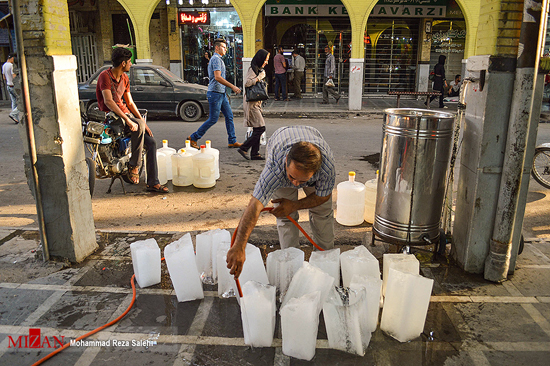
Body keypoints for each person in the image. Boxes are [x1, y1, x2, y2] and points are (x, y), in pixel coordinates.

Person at [226, 125, 336, 278]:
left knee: (322, 214)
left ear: (316, 171)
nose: (295, 185)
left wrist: (295, 204)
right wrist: (239, 246)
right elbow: (254, 205)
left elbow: (323, 196)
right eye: (292, 177)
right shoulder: (274, 169)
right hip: (281, 138)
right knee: (285, 217)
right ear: (286, 161)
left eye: (302, 180)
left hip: (312, 134)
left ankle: (325, 263)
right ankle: (291, 267)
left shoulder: (326, 167)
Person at [96, 47, 168, 193]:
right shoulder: (105, 76)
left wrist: (142, 122)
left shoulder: (125, 78)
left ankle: (153, 183)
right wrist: (129, 121)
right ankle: (134, 165)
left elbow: (129, 103)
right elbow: (109, 101)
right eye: (129, 62)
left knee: (152, 143)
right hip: (111, 116)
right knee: (137, 124)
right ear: (123, 63)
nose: (131, 64)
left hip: (125, 115)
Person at [188, 38, 242, 149]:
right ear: (217, 48)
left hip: (221, 93)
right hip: (215, 93)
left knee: (229, 116)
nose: (226, 49)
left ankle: (232, 140)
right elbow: (217, 77)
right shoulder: (216, 59)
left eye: (226, 47)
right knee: (213, 119)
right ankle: (193, 137)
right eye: (223, 47)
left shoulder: (219, 59)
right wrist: (232, 86)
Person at [238, 49, 270, 161]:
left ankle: (255, 153)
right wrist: (259, 77)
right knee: (261, 128)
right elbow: (247, 83)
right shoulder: (253, 69)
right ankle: (244, 147)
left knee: (257, 128)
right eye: (265, 60)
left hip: (256, 103)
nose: (266, 62)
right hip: (252, 104)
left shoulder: (258, 69)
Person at [3, 53, 19, 124]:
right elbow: (14, 76)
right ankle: (13, 114)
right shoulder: (11, 65)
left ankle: (15, 118)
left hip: (8, 85)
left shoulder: (4, 65)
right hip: (13, 86)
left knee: (14, 102)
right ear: (12, 58)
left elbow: (4, 77)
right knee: (21, 102)